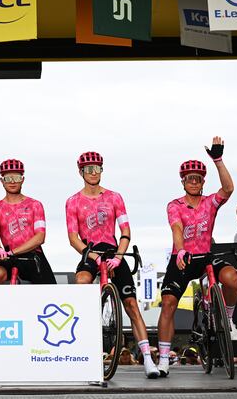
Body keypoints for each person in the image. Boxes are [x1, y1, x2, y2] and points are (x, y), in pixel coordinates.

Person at [66, 151, 159, 378]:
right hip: (90, 253)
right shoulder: (73, 201)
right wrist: (92, 257)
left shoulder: (115, 197)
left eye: (97, 168)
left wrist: (119, 255)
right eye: (88, 169)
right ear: (81, 172)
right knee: (82, 281)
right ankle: (81, 345)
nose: (93, 172)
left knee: (131, 304)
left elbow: (125, 230)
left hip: (113, 252)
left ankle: (147, 358)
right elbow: (73, 238)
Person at [157, 137, 237, 377]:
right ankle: (163, 360)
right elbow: (176, 229)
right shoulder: (175, 205)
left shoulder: (209, 203)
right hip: (182, 258)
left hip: (206, 257)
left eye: (198, 178)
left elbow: (228, 189)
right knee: (169, 304)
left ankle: (229, 320)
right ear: (183, 182)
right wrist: (180, 249)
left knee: (232, 278)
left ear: (203, 182)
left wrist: (218, 160)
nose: (194, 182)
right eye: (189, 178)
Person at [0, 159, 56, 284]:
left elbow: (40, 237)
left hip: (34, 255)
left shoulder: (35, 205)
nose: (12, 181)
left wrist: (14, 251)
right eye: (8, 178)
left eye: (17, 177)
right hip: (8, 256)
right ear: (2, 181)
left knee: (51, 293)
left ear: (22, 179)